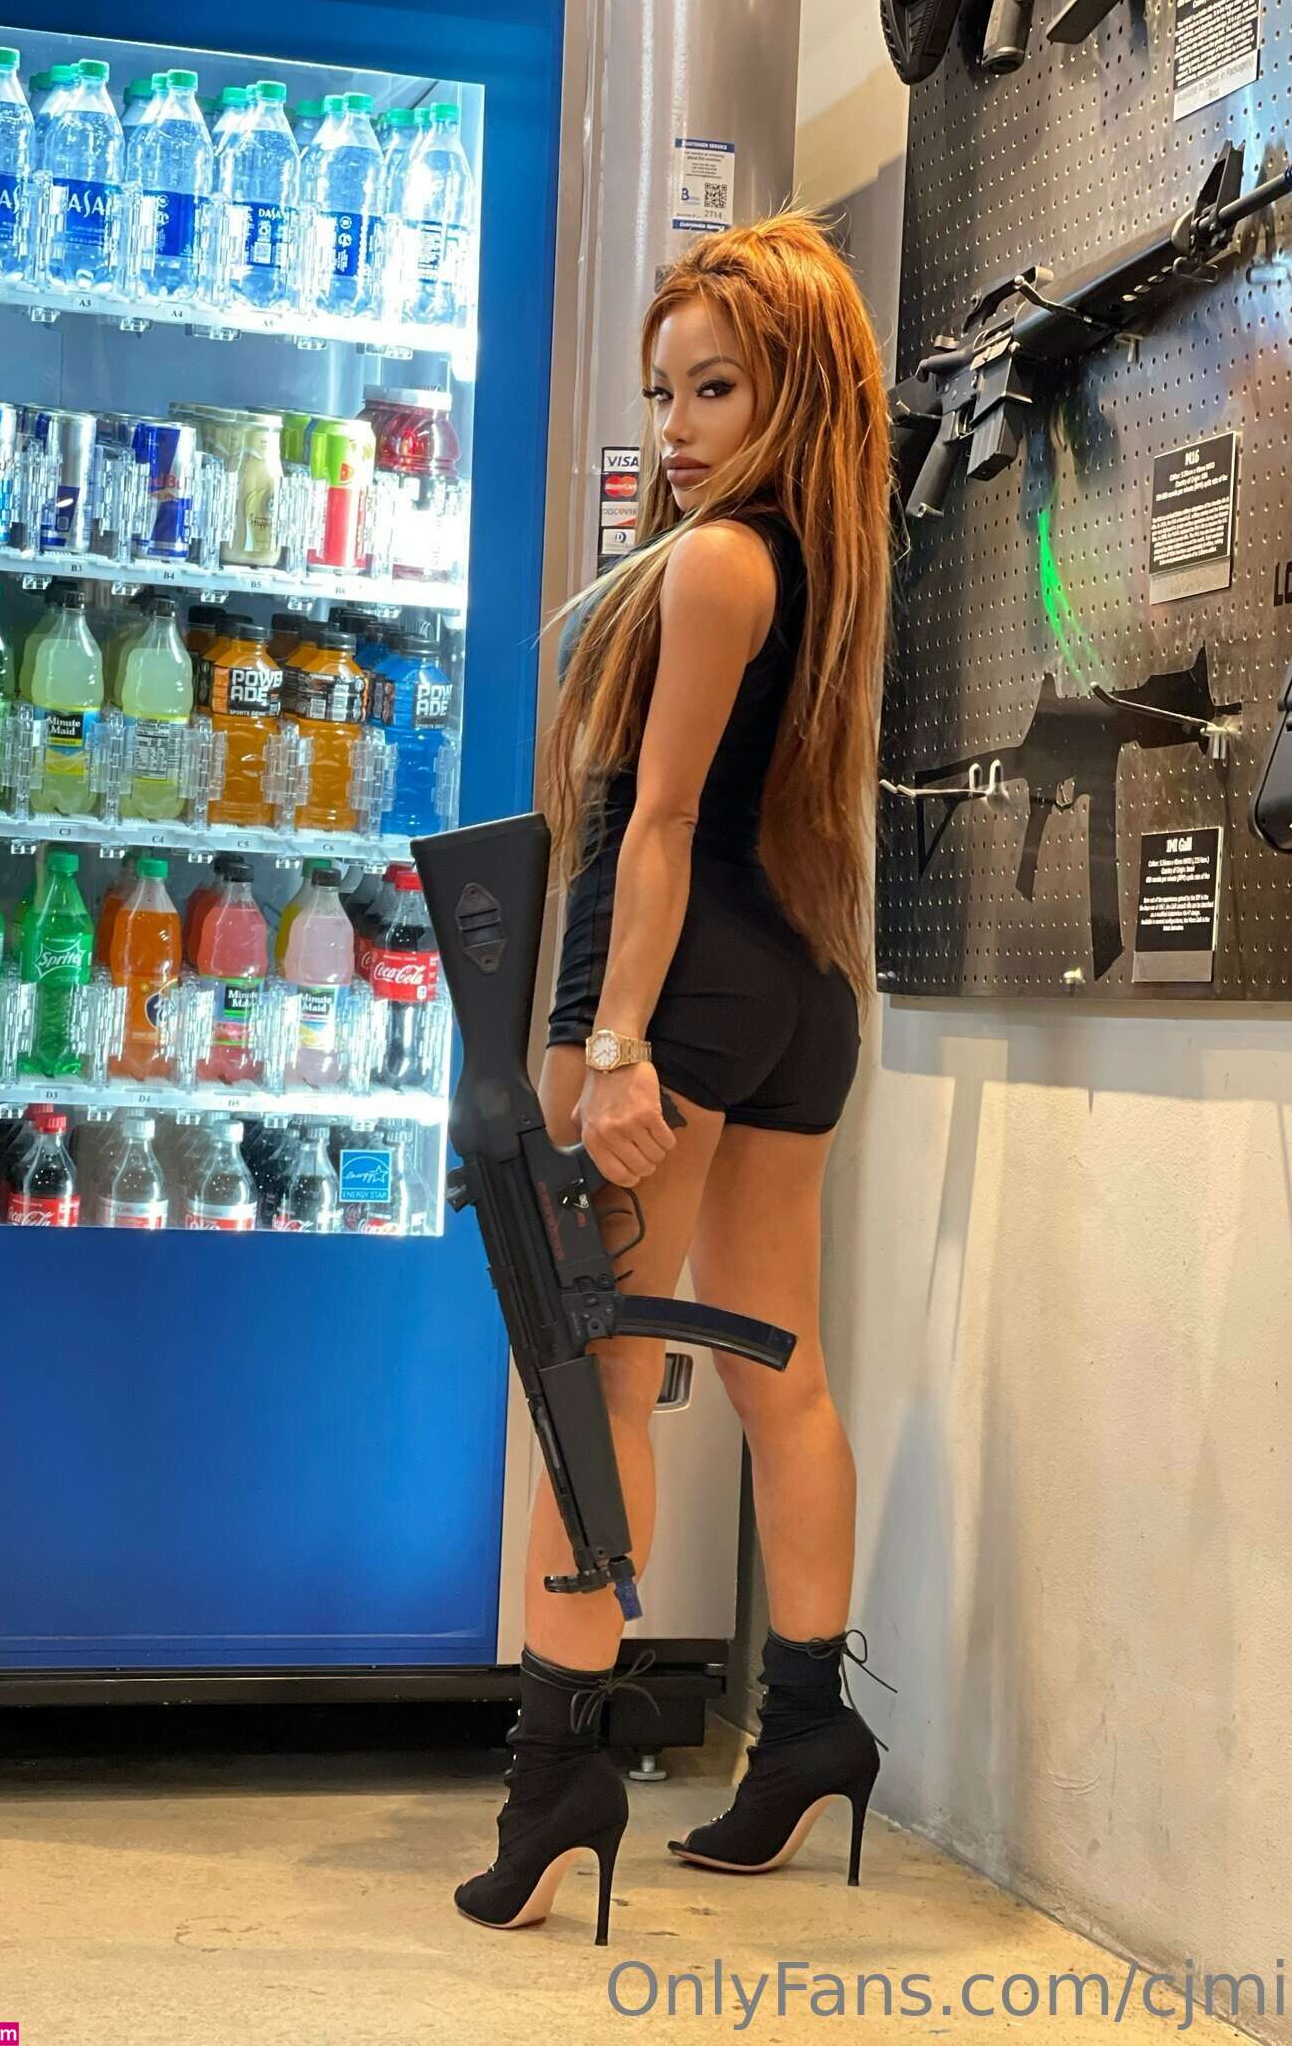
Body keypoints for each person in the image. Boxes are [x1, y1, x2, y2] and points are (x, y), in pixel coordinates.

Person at [454, 210, 895, 1943]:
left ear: (795, 392)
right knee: (783, 1372)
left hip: (685, 992)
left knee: (596, 1387)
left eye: (718, 387)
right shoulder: (821, 562)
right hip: (799, 989)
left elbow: (654, 826)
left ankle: (555, 1776)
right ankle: (809, 1732)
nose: (679, 424)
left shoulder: (714, 565)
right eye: (663, 390)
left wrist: (613, 1043)